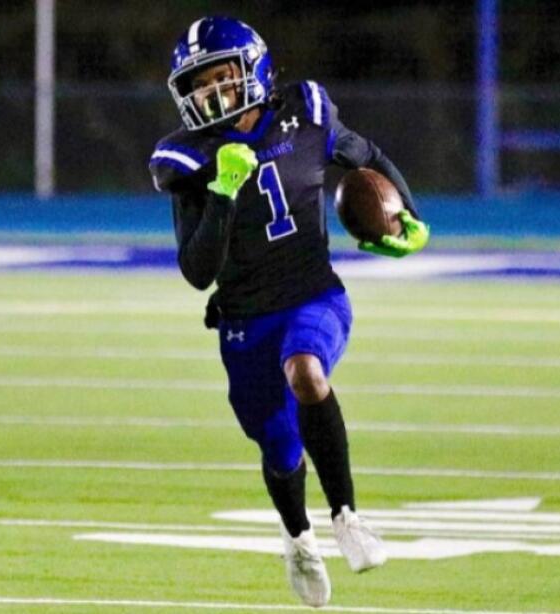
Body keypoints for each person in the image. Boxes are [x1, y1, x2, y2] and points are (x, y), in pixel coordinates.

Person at [148, 17, 429, 608]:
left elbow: (367, 157)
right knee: (278, 450)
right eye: (196, 85)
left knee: (306, 370)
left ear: (255, 71)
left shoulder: (306, 113)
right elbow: (197, 272)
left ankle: (348, 515)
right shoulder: (188, 157)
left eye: (220, 77)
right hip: (245, 321)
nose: (208, 95)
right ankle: (299, 537)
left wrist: (406, 216)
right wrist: (222, 192)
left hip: (314, 295)